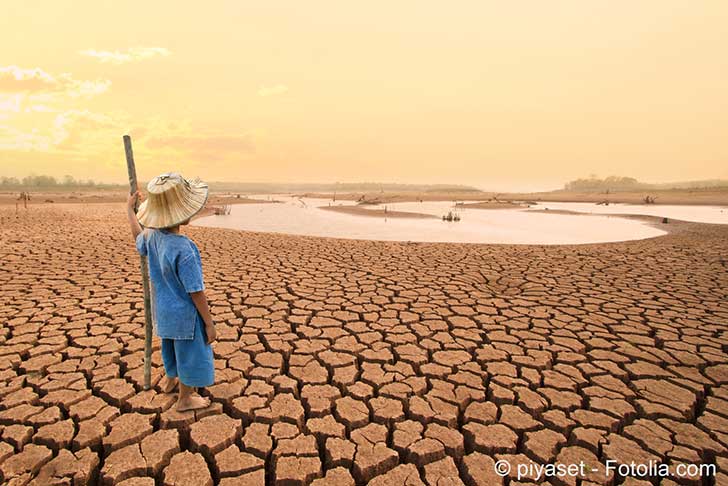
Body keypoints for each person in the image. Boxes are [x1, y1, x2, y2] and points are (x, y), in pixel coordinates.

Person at [126, 173, 217, 411]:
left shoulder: (152, 237)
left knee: (170, 348)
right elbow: (196, 291)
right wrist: (208, 322)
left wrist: (130, 211)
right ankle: (185, 398)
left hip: (162, 312)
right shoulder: (184, 249)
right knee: (189, 353)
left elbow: (138, 236)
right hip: (184, 316)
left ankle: (170, 380)